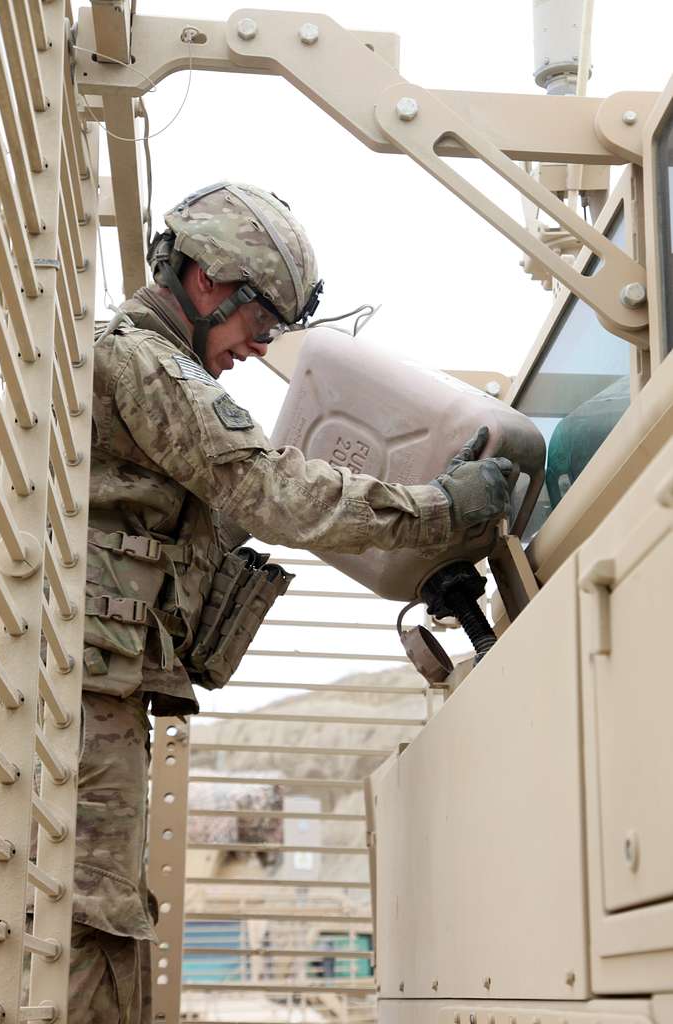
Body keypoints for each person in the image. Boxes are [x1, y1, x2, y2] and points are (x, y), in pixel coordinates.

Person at [72, 181, 513, 1022]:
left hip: (97, 687)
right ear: (206, 280)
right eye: (257, 319)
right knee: (93, 920)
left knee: (99, 909)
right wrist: (440, 510)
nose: (259, 344)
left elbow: (229, 511)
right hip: (87, 694)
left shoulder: (138, 364)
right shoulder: (146, 361)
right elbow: (266, 487)